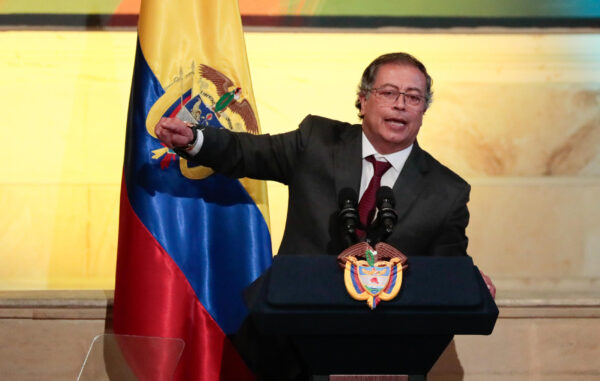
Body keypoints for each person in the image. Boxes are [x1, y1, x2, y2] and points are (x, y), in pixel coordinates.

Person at [157, 51, 495, 380]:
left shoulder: (446, 190)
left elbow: (445, 268)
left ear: (423, 110)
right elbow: (249, 152)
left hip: (382, 354)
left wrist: (469, 284)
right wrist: (196, 140)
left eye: (414, 97)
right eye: (389, 92)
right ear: (363, 100)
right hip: (285, 343)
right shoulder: (317, 142)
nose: (401, 104)